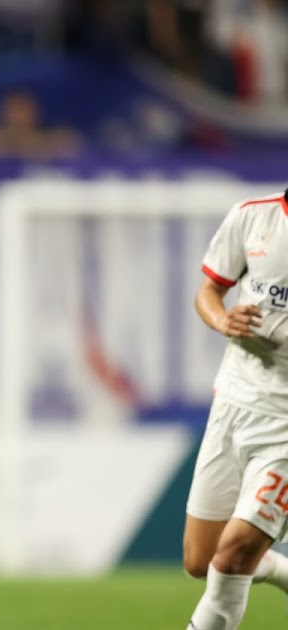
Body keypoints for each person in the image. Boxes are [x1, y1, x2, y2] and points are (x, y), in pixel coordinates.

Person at [184, 188, 288, 629]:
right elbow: (208, 290)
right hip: (234, 402)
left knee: (232, 555)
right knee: (202, 559)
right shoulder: (252, 216)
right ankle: (276, 567)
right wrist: (222, 319)